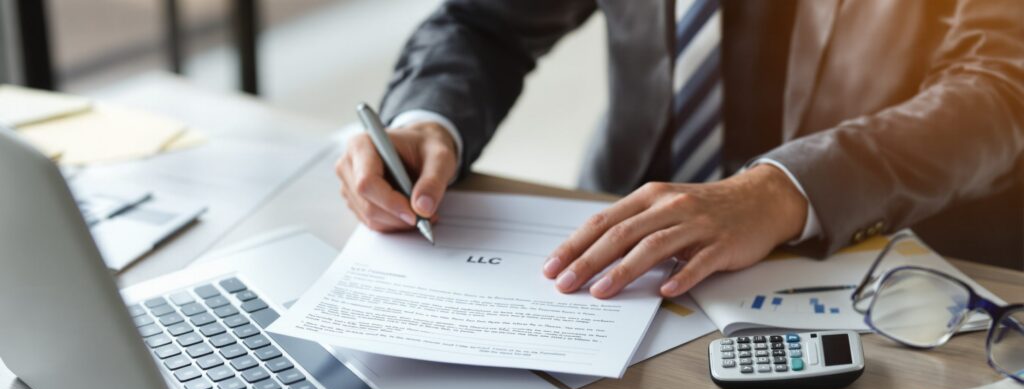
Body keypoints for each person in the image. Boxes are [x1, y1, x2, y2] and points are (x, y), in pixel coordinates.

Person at [335, 0, 1024, 299]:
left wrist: (781, 191)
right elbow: (483, 22)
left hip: (887, 266)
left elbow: (1000, 85)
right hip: (621, 251)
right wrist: (428, 121)